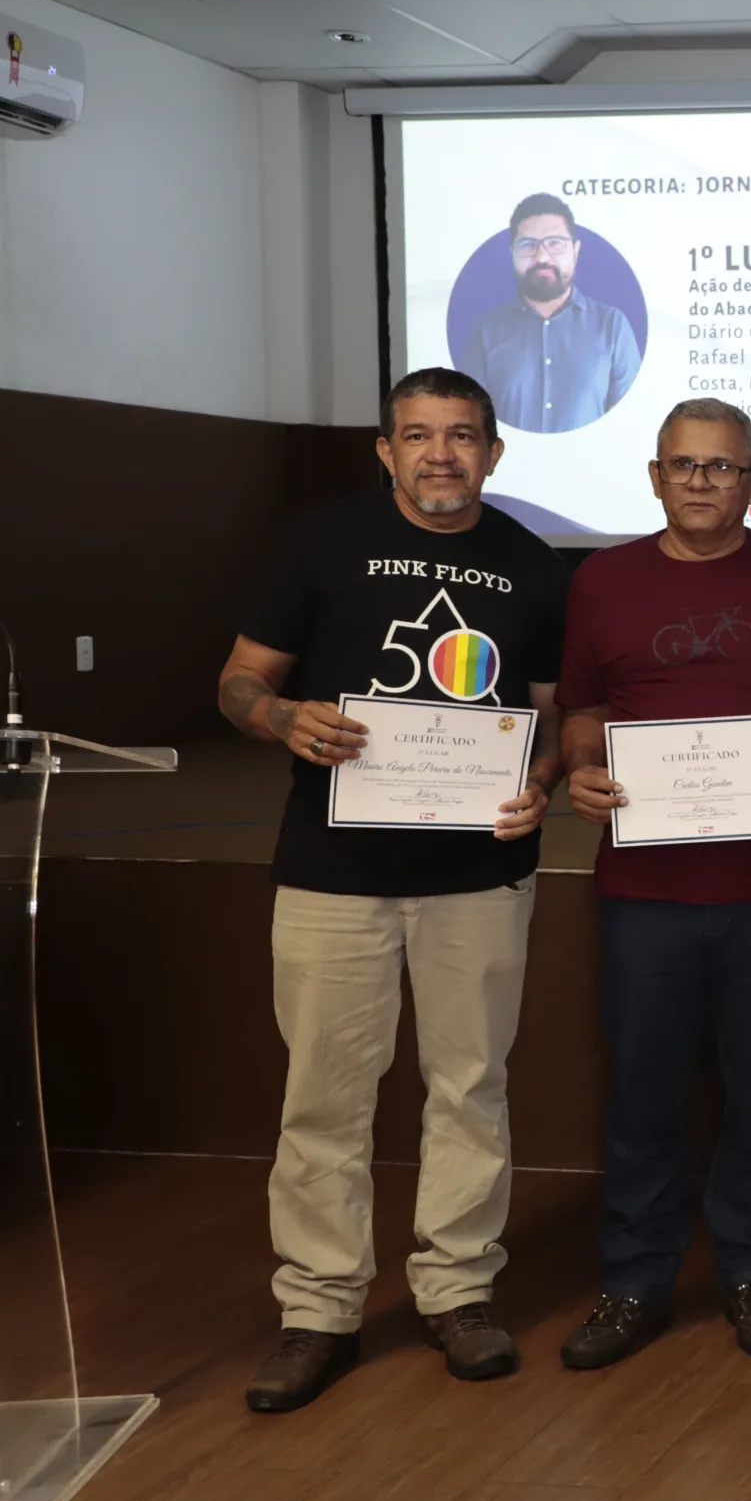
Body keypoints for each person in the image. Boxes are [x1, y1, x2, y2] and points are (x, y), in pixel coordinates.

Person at [216, 367, 568, 1412]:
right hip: (333, 873)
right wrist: (283, 721)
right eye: (418, 436)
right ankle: (318, 1309)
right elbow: (239, 680)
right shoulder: (316, 543)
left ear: (494, 452)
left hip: (479, 872)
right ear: (386, 450)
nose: (441, 455)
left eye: (462, 436)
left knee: (471, 1087)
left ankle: (458, 1292)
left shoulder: (534, 567)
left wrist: (541, 784)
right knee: (323, 1098)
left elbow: (549, 720)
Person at [553, 399, 751, 1369]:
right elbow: (584, 709)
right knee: (641, 1092)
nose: (703, 481)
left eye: (723, 467)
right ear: (654, 476)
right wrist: (582, 765)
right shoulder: (600, 579)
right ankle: (634, 1280)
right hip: (643, 890)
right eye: (685, 465)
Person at [455, 192, 643, 435]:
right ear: (512, 253)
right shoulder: (484, 332)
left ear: (575, 250)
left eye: (555, 243)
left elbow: (630, 423)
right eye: (528, 245)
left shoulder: (613, 326)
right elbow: (468, 426)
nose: (542, 257)